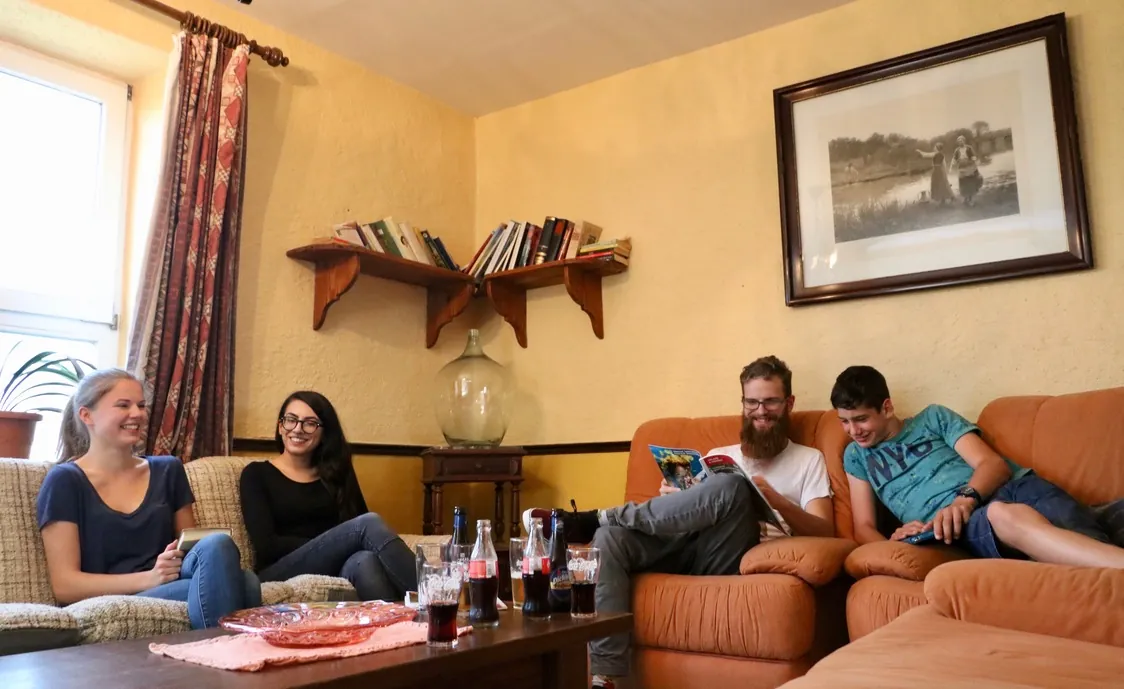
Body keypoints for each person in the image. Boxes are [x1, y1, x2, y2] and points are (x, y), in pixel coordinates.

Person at [524, 356, 834, 689]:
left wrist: (774, 499)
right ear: (743, 403)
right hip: (685, 543)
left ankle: (595, 517)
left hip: (731, 552)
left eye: (771, 401)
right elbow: (694, 510)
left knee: (732, 487)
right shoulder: (720, 454)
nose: (761, 411)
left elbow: (825, 530)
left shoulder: (808, 460)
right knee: (610, 538)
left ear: (789, 403)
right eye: (752, 402)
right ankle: (605, 678)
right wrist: (675, 496)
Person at [831, 365, 1124, 568]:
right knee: (1001, 515)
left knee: (1080, 529)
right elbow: (864, 527)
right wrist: (894, 541)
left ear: (886, 407)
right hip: (961, 525)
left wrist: (964, 499)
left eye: (861, 419)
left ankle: (1102, 523)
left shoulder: (932, 418)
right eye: (844, 421)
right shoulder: (857, 457)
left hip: (1014, 488)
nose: (853, 431)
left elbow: (993, 465)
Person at [36, 369, 260, 630]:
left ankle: (214, 650)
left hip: (170, 582)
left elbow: (193, 550)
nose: (137, 414)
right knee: (246, 583)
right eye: (123, 405)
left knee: (218, 546)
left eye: (141, 406)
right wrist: (150, 578)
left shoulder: (168, 470)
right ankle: (222, 651)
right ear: (87, 415)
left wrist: (168, 567)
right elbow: (65, 585)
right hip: (114, 597)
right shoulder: (65, 481)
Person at [239, 391, 416, 601]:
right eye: (291, 420)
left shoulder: (336, 474)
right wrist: (332, 543)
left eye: (310, 423)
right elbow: (266, 546)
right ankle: (433, 595)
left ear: (324, 433)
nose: (298, 429)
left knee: (365, 559)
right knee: (368, 524)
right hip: (278, 569)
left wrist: (337, 545)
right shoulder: (256, 474)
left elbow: (358, 525)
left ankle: (401, 621)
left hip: (336, 564)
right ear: (280, 426)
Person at [951, 135, 983, 206]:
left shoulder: (969, 148)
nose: (960, 142)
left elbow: (973, 156)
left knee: (970, 183)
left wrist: (975, 160)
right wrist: (953, 163)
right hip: (961, 167)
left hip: (969, 167)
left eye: (961, 141)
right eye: (959, 141)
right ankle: (965, 198)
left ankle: (970, 199)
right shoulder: (957, 150)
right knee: (962, 183)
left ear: (964, 141)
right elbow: (954, 158)